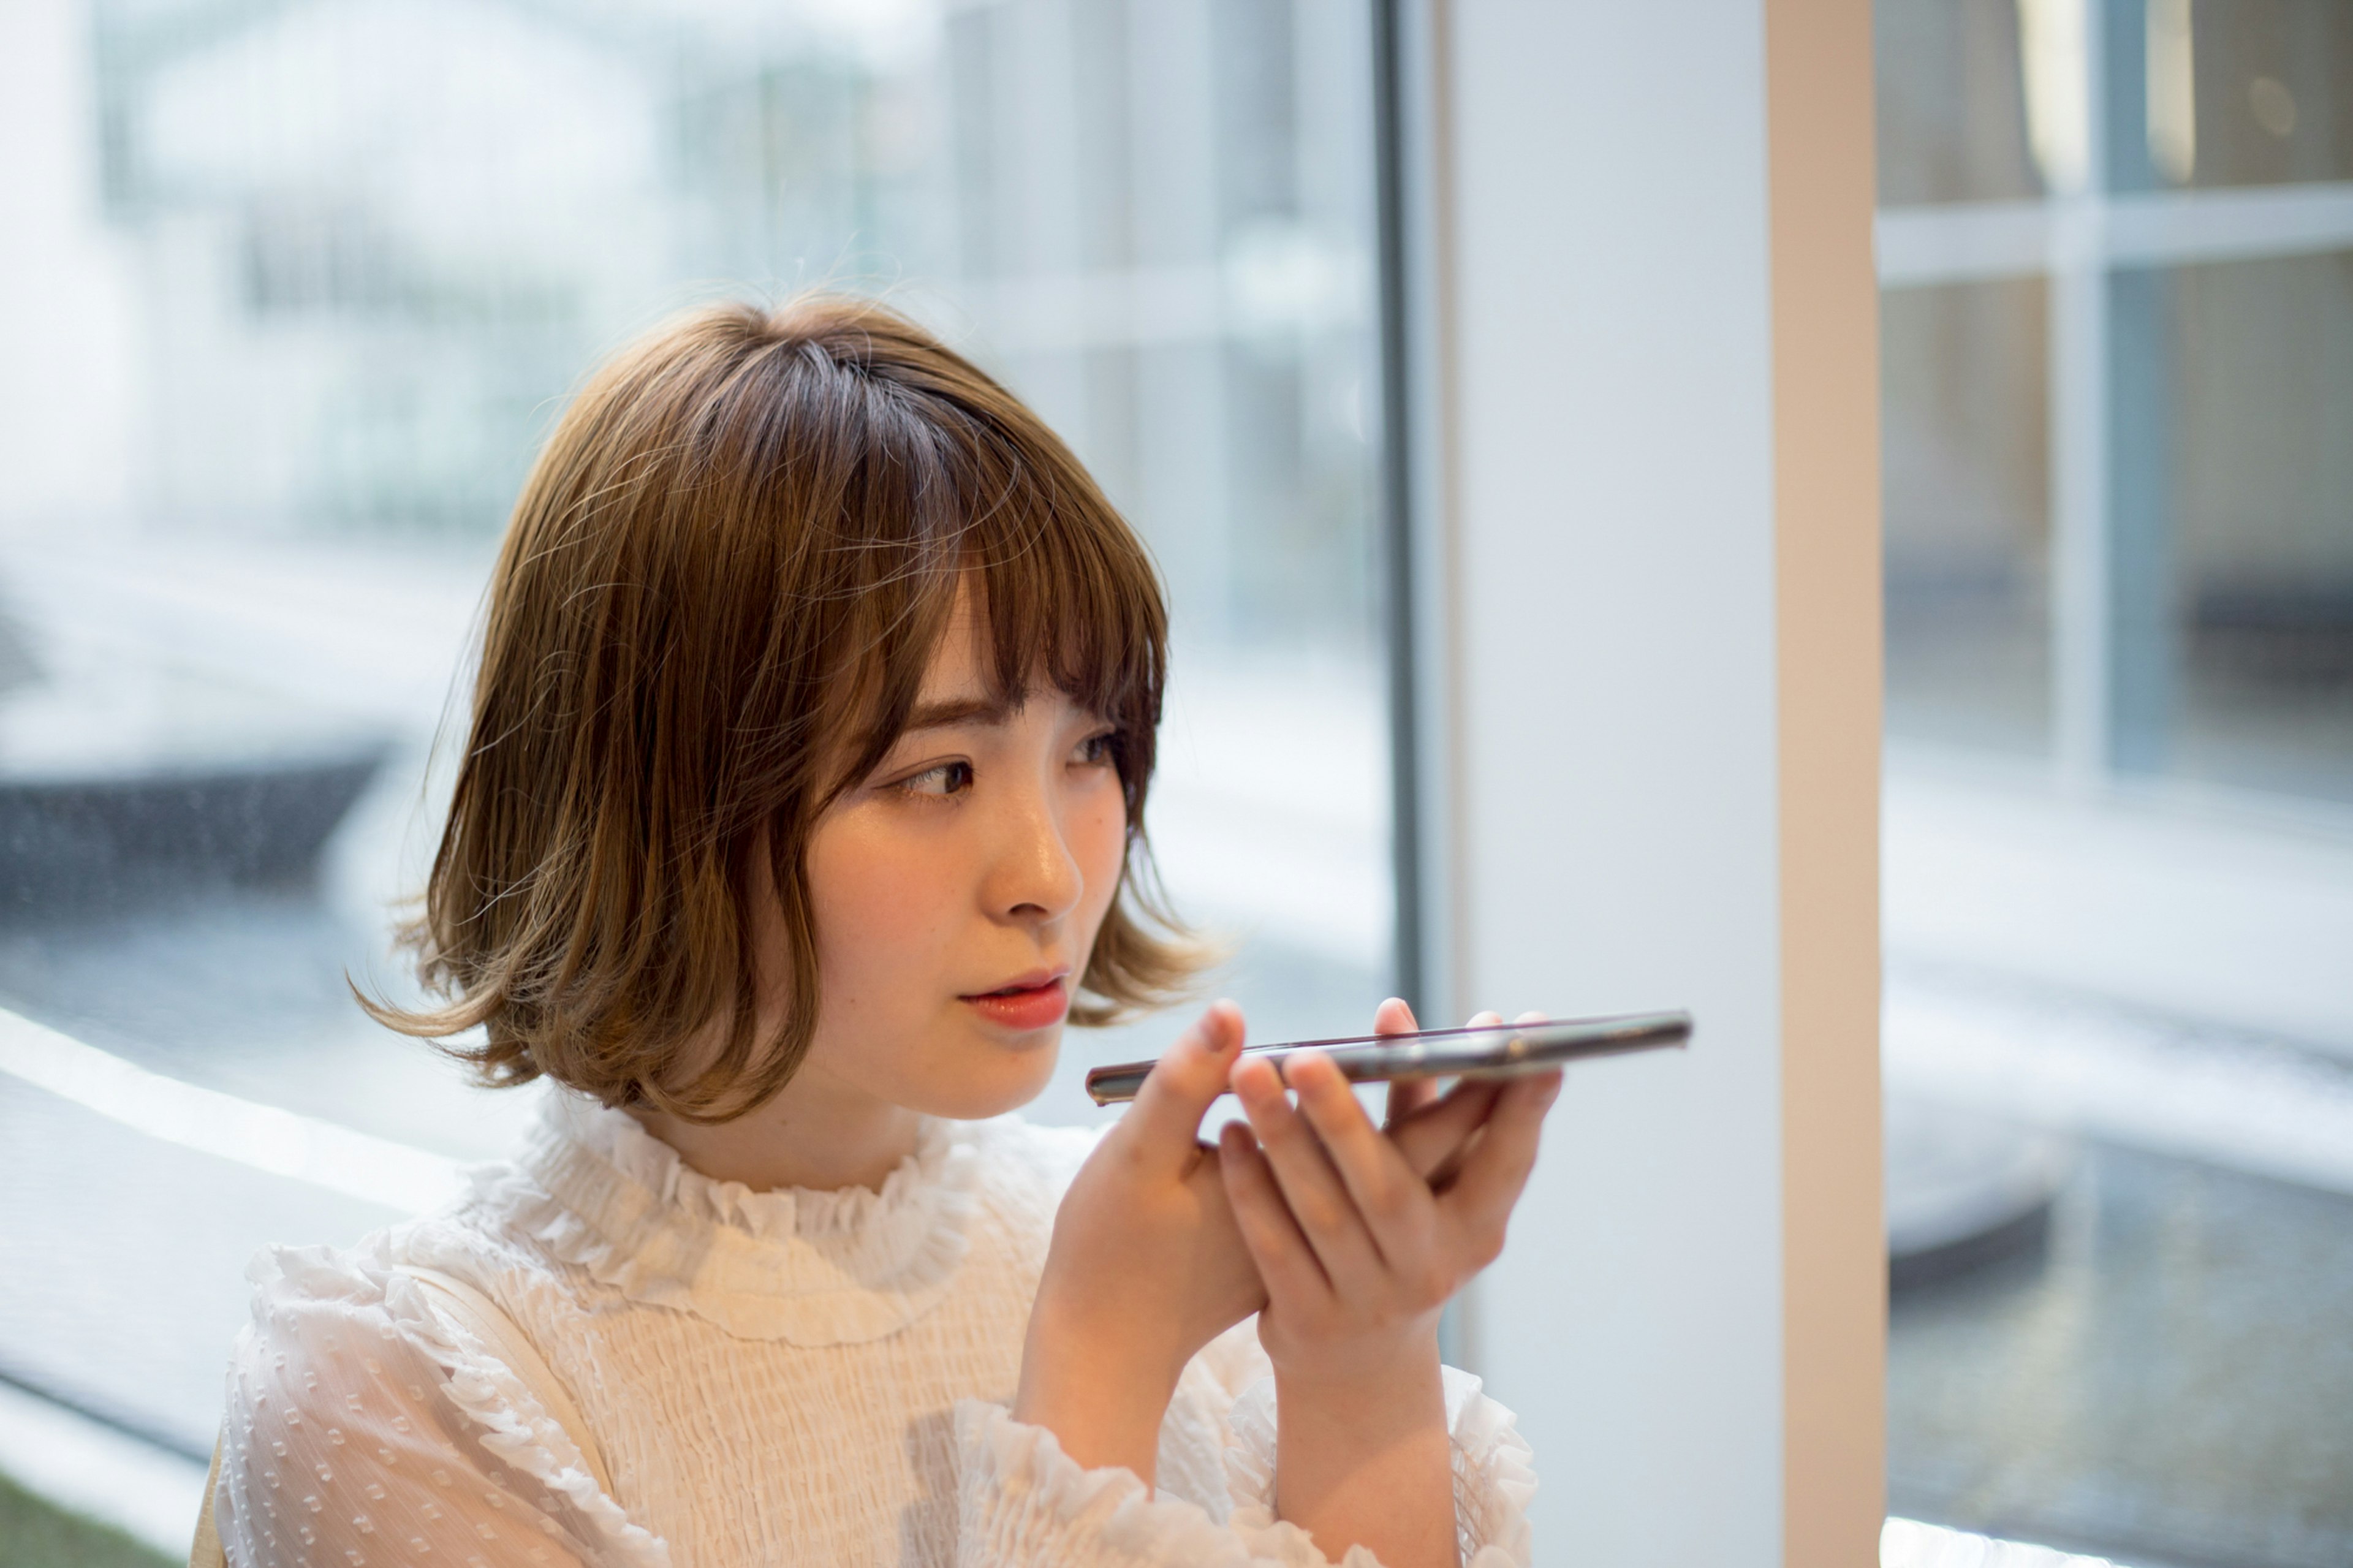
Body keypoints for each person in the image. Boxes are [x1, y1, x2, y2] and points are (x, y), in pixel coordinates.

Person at [210, 297, 1554, 1568]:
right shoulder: (410, 1382)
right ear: (664, 794)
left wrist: (1359, 1352)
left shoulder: (1153, 1260)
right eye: (939, 774)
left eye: (1091, 747)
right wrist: (1095, 1366)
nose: (1050, 874)